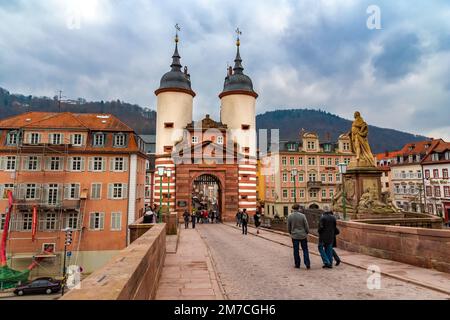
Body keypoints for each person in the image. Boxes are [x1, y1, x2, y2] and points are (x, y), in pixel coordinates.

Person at [287, 204, 310, 269]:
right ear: (299, 208)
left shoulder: (290, 216)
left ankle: (297, 264)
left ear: (293, 209)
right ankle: (307, 263)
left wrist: (290, 233)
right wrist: (307, 232)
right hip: (303, 235)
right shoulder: (303, 216)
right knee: (305, 249)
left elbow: (288, 226)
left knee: (296, 250)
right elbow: (306, 225)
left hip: (294, 235)